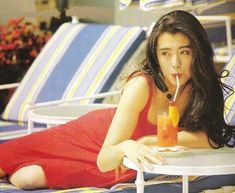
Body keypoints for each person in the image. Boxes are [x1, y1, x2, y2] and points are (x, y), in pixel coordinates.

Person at [0, 10, 235, 190]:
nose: (175, 63)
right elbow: (105, 159)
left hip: (130, 159)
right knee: (6, 158)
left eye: (184, 51)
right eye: (166, 53)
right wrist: (127, 145)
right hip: (98, 137)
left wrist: (147, 141)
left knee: (28, 180)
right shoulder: (141, 85)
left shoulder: (204, 85)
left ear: (198, 52)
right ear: (156, 56)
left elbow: (210, 139)